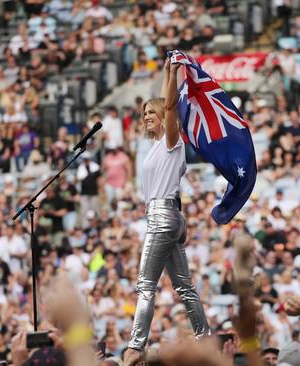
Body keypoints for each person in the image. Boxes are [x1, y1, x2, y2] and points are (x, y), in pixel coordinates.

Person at [125, 59, 210, 364]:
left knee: (146, 286)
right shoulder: (157, 147)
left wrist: (170, 73)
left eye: (152, 112)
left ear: (163, 116)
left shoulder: (172, 141)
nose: (146, 116)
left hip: (162, 217)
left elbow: (172, 107)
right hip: (168, 216)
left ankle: (135, 345)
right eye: (144, 113)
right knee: (184, 286)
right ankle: (205, 337)